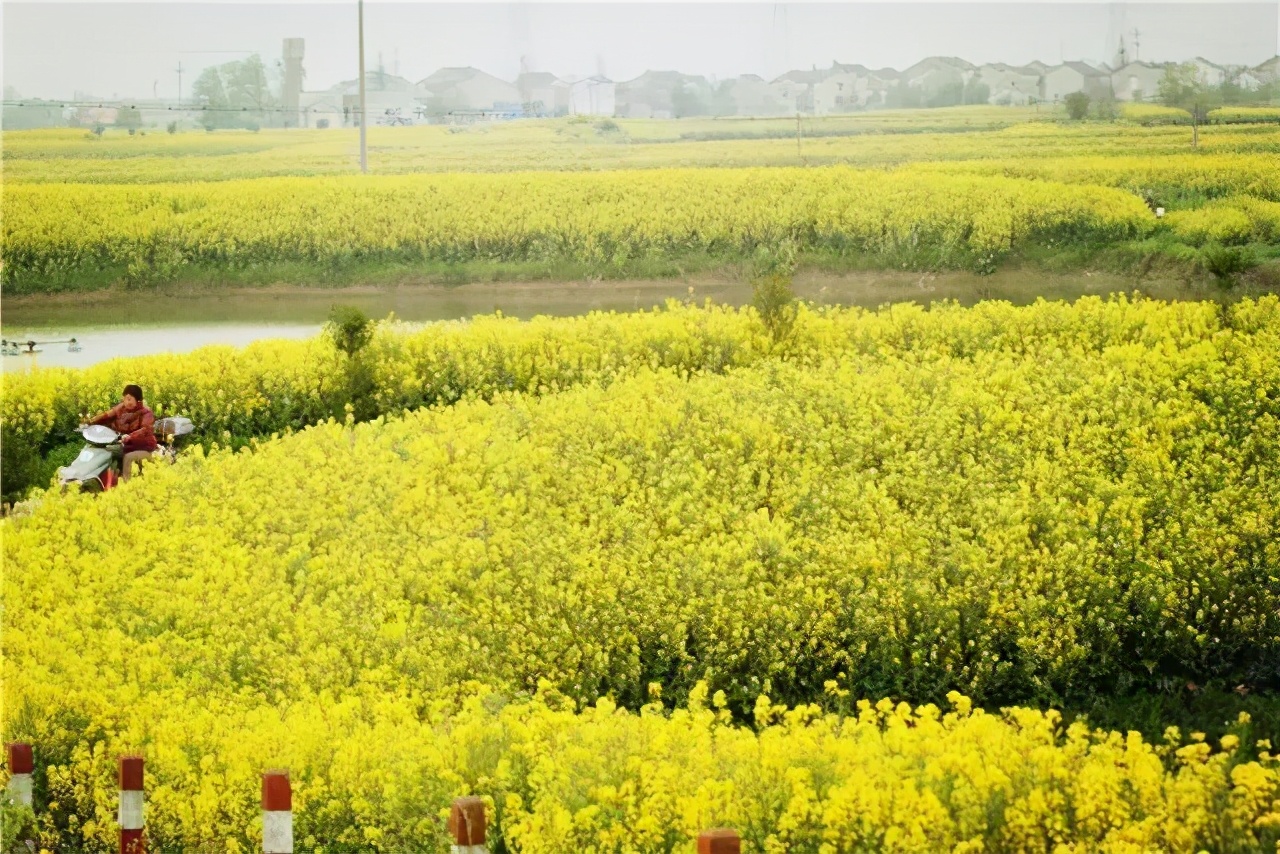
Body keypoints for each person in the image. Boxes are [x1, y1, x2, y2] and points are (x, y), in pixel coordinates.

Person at [87, 384, 157, 482]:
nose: (127, 402)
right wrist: (91, 422)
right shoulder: (121, 408)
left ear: (138, 400)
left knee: (116, 453)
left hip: (141, 445)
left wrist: (130, 436)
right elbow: (107, 416)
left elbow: (146, 429)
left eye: (129, 399)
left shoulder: (146, 412)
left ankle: (126, 483)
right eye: (125, 399)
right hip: (124, 443)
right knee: (100, 450)